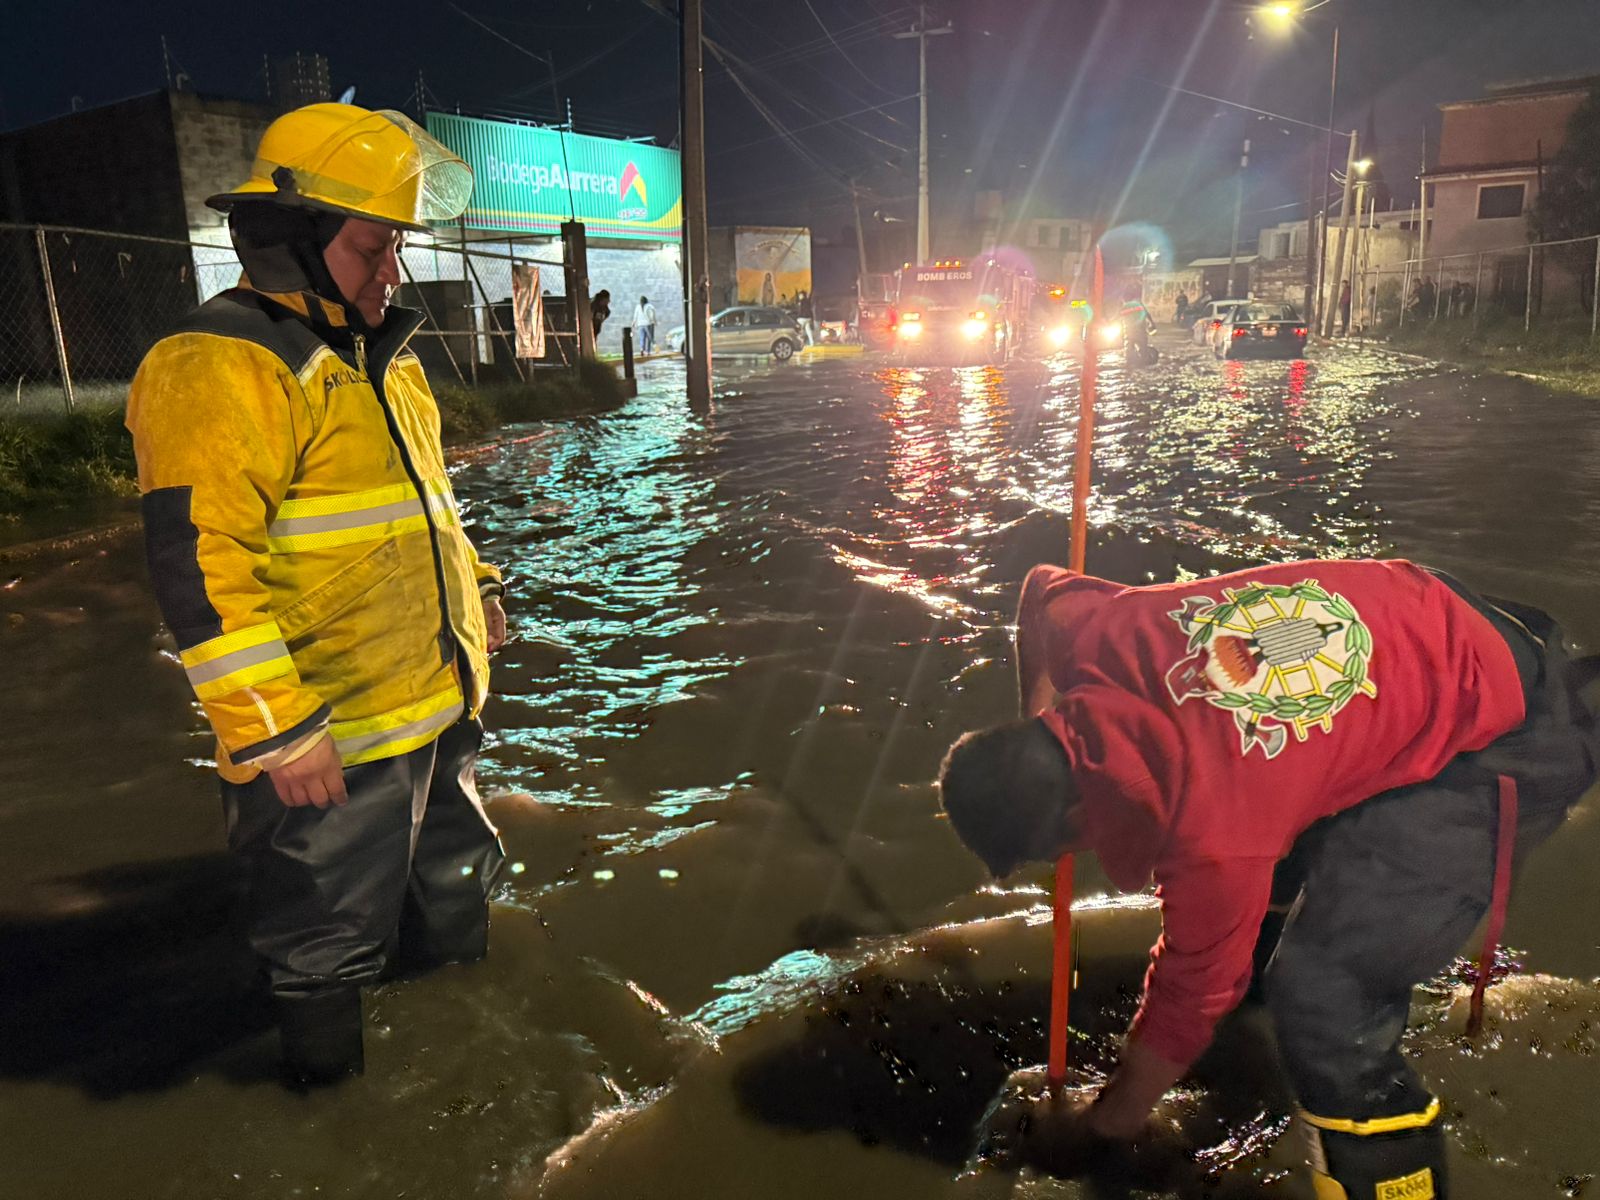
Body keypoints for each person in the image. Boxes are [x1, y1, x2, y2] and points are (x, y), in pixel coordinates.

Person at [938, 559, 1597, 1199]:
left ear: (1082, 811)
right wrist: (1041, 713)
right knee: (1277, 881)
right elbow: (1040, 591)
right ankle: (1261, 1007)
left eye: (1059, 849)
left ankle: (1396, 1186)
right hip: (1431, 614)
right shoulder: (1098, 631)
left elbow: (1188, 997)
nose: (1068, 861)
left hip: (1511, 735)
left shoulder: (1209, 830)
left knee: (1324, 997)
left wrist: (1106, 1122)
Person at [126, 103, 509, 1089]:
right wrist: (274, 728)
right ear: (293, 239)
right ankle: (330, 1115)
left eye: (395, 249)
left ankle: (471, 1067)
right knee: (320, 948)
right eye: (373, 247)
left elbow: (429, 508)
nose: (393, 271)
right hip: (328, 740)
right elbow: (199, 570)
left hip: (437, 707)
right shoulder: (219, 364)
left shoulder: (384, 356)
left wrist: (481, 592)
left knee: (456, 903)